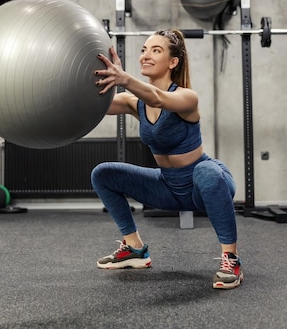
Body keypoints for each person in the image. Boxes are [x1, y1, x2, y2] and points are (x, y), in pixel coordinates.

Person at [91, 29, 242, 289]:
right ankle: (135, 249)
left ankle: (231, 259)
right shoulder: (133, 101)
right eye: (144, 50)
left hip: (202, 183)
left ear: (173, 62)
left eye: (156, 50)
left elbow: (158, 98)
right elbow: (93, 107)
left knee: (207, 172)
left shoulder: (186, 97)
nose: (146, 56)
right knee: (103, 173)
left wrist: (124, 79)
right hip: (167, 186)